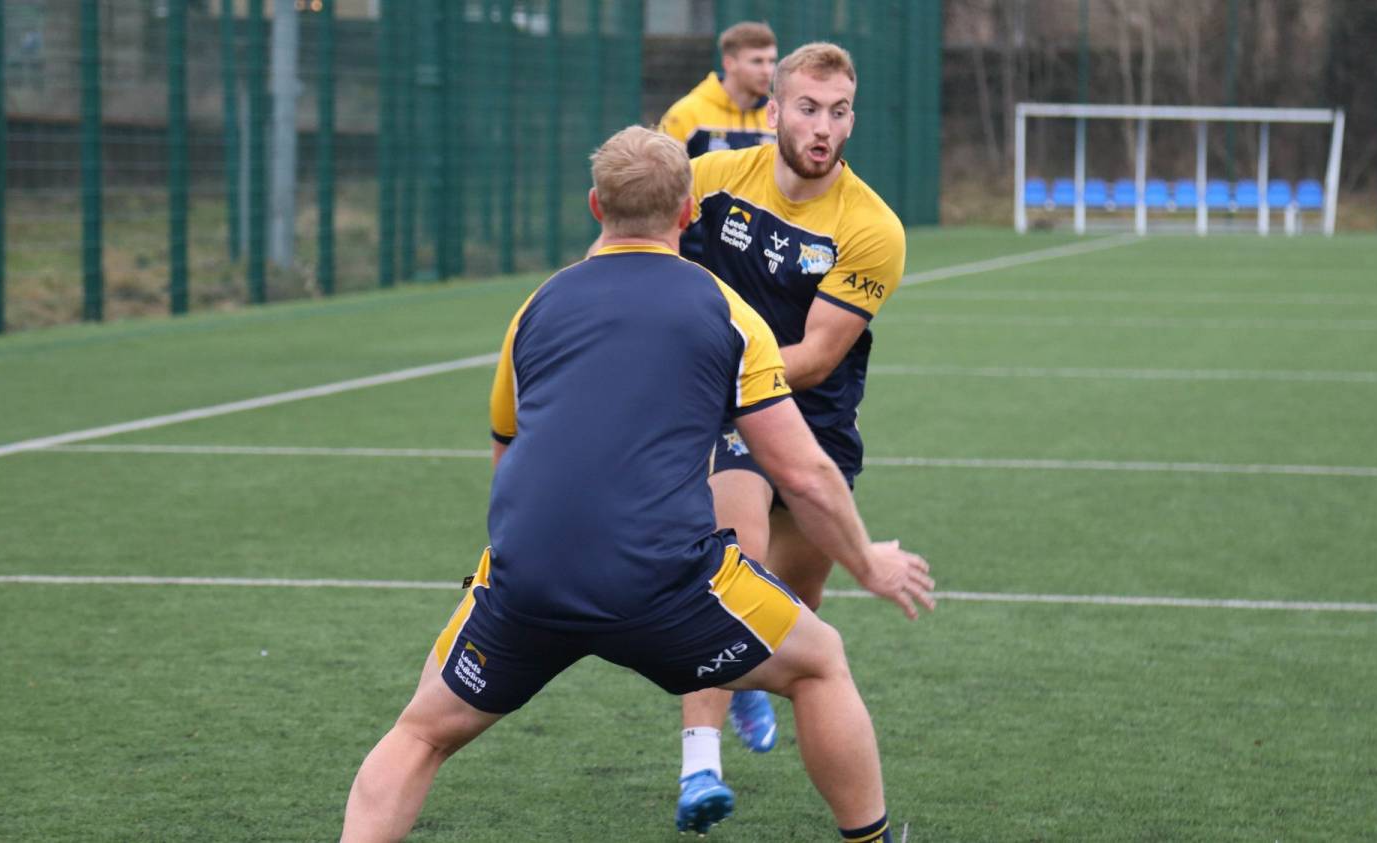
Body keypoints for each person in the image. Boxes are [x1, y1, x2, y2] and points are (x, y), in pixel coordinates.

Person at [340, 126, 933, 843]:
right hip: (664, 581)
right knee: (820, 661)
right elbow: (803, 470)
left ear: (595, 206)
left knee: (421, 732)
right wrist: (869, 562)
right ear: (688, 213)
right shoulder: (726, 309)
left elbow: (509, 451)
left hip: (529, 577)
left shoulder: (536, 308)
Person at [670, 41, 912, 833]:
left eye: (839, 111)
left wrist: (723, 370)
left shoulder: (872, 227)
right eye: (808, 108)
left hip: (815, 420)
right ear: (772, 112)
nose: (824, 126)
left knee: (793, 616)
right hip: (728, 413)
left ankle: (743, 686)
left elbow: (814, 357)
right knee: (728, 559)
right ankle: (698, 764)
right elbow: (642, 246)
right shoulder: (710, 180)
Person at [659, 21, 778, 157]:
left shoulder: (779, 117)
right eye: (757, 61)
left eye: (772, 61)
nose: (767, 70)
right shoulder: (686, 114)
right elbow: (662, 173)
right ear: (729, 63)